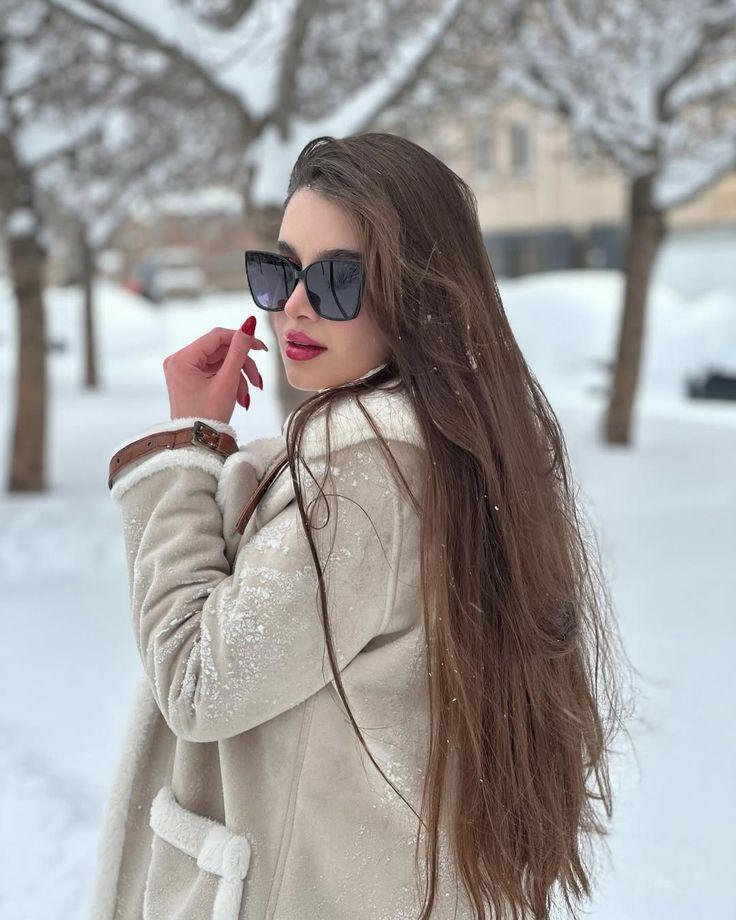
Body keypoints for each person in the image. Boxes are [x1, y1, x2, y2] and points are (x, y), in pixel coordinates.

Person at [90, 132, 635, 920]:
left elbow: (200, 681)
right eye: (281, 271)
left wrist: (187, 453)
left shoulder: (364, 480)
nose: (295, 304)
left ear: (416, 296)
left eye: (339, 280)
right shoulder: (455, 455)